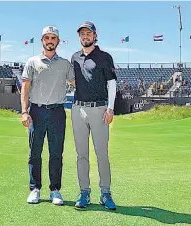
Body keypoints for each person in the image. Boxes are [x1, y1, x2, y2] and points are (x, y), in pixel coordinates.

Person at [20, 26, 75, 205]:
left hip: (57, 112)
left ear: (57, 41)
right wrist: (24, 111)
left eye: (53, 38)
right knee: (35, 152)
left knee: (56, 153)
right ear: (42, 40)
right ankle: (35, 188)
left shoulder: (65, 64)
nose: (50, 41)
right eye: (47, 38)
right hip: (36, 111)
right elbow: (25, 88)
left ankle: (55, 190)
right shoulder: (32, 61)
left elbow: (77, 82)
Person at [71, 21, 117, 210]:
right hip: (78, 110)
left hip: (99, 110)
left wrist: (110, 108)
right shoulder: (74, 57)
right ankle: (84, 192)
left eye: (88, 33)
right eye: (82, 34)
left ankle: (105, 193)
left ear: (95, 35)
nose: (85, 36)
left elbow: (112, 83)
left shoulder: (105, 57)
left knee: (102, 154)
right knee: (81, 154)